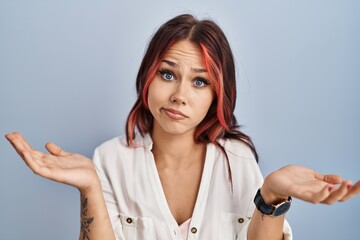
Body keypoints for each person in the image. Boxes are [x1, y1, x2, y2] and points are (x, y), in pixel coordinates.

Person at [5, 14, 359, 240]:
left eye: (200, 82)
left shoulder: (237, 159)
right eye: (168, 74)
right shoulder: (109, 159)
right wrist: (90, 189)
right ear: (148, 76)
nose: (179, 95)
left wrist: (272, 196)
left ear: (218, 94)